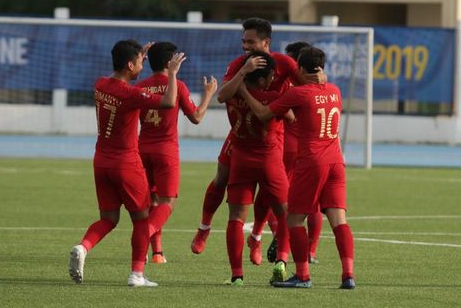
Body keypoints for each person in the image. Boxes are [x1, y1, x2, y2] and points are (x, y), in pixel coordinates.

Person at [191, 18, 324, 272]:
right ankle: (204, 229)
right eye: (243, 41)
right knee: (221, 179)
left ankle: (257, 238)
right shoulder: (238, 64)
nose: (245, 46)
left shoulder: (284, 64)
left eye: (250, 41)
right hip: (240, 136)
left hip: (272, 137)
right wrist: (244, 70)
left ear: (266, 43)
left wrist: (320, 77)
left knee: (271, 193)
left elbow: (306, 84)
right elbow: (223, 96)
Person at [68, 39, 185, 287]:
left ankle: (83, 247)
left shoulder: (100, 84)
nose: (144, 62)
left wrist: (137, 55)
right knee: (142, 219)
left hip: (101, 162)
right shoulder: (131, 94)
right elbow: (168, 103)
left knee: (108, 218)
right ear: (130, 64)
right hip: (126, 164)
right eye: (140, 60)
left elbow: (123, 73)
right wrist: (172, 74)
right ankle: (137, 274)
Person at [238, 46, 355, 289]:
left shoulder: (299, 94)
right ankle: (348, 276)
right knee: (339, 220)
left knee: (293, 219)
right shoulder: (335, 90)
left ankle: (302, 276)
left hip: (312, 162)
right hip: (337, 162)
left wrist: (243, 91)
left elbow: (262, 114)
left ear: (300, 68)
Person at [136, 42, 217, 264]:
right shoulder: (177, 85)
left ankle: (158, 253)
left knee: (151, 201)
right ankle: (145, 236)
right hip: (166, 151)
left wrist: (142, 58)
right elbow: (197, 117)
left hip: (142, 149)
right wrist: (209, 94)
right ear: (169, 62)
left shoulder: (140, 85)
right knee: (167, 202)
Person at [223, 51, 292, 286]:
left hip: (241, 159)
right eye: (271, 76)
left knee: (236, 218)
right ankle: (282, 261)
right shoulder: (271, 96)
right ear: (262, 80)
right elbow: (290, 116)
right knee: (285, 213)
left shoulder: (232, 93)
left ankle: (237, 276)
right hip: (269, 159)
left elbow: (222, 95)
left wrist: (241, 80)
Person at [266, 41, 325, 264]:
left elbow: (277, 113)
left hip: (286, 146)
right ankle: (311, 251)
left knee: (278, 199)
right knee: (314, 204)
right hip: (315, 148)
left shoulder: (287, 85)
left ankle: (279, 238)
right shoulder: (324, 88)